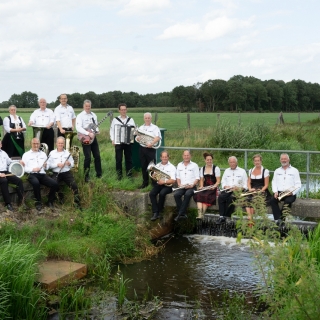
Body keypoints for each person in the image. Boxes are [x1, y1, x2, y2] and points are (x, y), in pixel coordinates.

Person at [21, 138, 59, 211]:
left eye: (37, 143)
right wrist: (33, 169)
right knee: (36, 183)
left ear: (39, 144)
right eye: (34, 143)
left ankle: (50, 201)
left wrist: (45, 166)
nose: (36, 145)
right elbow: (24, 168)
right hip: (31, 174)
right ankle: (38, 202)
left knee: (55, 184)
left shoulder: (43, 154)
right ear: (31, 144)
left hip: (42, 174)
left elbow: (47, 167)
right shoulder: (26, 155)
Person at [47, 137, 81, 210]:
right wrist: (57, 165)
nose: (60, 144)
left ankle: (77, 203)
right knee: (54, 184)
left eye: (62, 143)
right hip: (56, 173)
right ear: (56, 144)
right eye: (59, 143)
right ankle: (52, 201)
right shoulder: (52, 153)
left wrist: (69, 163)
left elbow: (72, 164)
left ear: (64, 144)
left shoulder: (67, 153)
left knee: (74, 185)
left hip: (66, 173)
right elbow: (48, 165)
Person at [270, 153, 301, 225]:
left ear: (288, 160)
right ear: (280, 160)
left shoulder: (295, 170)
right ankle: (278, 219)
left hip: (290, 193)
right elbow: (274, 182)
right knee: (272, 200)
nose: (284, 160)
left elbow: (298, 184)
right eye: (282, 159)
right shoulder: (277, 170)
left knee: (288, 201)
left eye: (285, 159)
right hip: (279, 192)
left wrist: (292, 193)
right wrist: (275, 192)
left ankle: (281, 220)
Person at [76, 99, 102, 182]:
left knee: (97, 156)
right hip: (85, 138)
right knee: (88, 157)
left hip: (93, 138)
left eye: (89, 106)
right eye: (86, 106)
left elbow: (95, 125)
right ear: (83, 106)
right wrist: (88, 133)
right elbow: (78, 128)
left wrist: (97, 130)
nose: (88, 107)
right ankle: (86, 176)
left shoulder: (94, 115)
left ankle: (99, 174)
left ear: (91, 106)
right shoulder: (80, 116)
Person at [216, 156, 247, 224]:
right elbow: (223, 181)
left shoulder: (242, 171)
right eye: (230, 162)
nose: (232, 163)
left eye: (233, 162)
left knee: (231, 198)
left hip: (238, 190)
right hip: (228, 189)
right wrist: (225, 186)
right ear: (229, 163)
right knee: (221, 197)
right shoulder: (226, 171)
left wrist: (239, 188)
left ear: (236, 162)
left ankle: (226, 216)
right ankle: (221, 216)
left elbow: (246, 184)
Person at [110, 103, 136, 180]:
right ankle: (119, 176)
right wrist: (113, 139)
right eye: (122, 110)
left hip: (128, 142)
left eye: (124, 109)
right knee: (118, 159)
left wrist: (134, 132)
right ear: (119, 111)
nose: (123, 111)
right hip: (118, 142)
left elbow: (134, 130)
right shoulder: (115, 120)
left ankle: (129, 176)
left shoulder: (131, 120)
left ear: (126, 110)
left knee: (129, 159)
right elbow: (111, 130)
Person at [149, 151, 176, 221]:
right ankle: (155, 212)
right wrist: (153, 175)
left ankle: (159, 212)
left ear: (168, 157)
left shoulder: (172, 167)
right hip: (159, 184)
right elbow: (154, 176)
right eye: (163, 157)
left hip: (168, 186)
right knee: (151, 194)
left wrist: (164, 181)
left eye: (166, 157)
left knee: (162, 193)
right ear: (161, 157)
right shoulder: (157, 166)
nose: (164, 158)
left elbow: (173, 180)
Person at [136, 113, 161, 189]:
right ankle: (145, 183)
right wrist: (138, 138)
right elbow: (137, 137)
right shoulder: (140, 127)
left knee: (152, 167)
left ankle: (154, 183)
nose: (147, 119)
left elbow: (158, 137)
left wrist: (152, 143)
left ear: (151, 118)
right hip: (142, 149)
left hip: (151, 149)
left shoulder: (155, 128)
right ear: (144, 119)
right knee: (143, 166)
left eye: (148, 118)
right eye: (146, 118)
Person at [193, 152, 221, 220]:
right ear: (205, 160)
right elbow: (202, 180)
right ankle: (199, 214)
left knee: (206, 195)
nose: (209, 161)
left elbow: (218, 181)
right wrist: (201, 186)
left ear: (212, 160)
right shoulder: (202, 169)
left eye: (210, 159)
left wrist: (214, 186)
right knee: (199, 194)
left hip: (213, 187)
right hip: (205, 186)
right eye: (208, 160)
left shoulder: (216, 168)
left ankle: (203, 213)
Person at [174, 150, 200, 221]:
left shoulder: (195, 165)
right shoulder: (179, 165)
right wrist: (179, 184)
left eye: (187, 155)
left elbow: (197, 178)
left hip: (192, 186)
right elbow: (178, 177)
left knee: (187, 194)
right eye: (185, 155)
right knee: (176, 195)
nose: (186, 157)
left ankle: (180, 214)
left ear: (190, 156)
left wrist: (192, 185)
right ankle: (183, 214)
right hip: (182, 186)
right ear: (182, 156)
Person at [245, 154, 272, 222]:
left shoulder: (265, 171)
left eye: (258, 161)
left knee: (255, 199)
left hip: (262, 190)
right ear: (253, 162)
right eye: (255, 161)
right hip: (252, 189)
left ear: (261, 161)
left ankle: (250, 220)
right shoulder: (250, 170)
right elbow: (248, 182)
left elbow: (266, 185)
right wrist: (250, 189)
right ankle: (250, 217)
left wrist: (260, 191)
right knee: (247, 199)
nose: (257, 162)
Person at [0, 140, 24, 211]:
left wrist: (18, 161)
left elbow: (9, 161)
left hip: (5, 172)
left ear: (1, 145)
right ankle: (8, 204)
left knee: (18, 180)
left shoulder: (4, 153)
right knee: (4, 181)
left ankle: (21, 201)